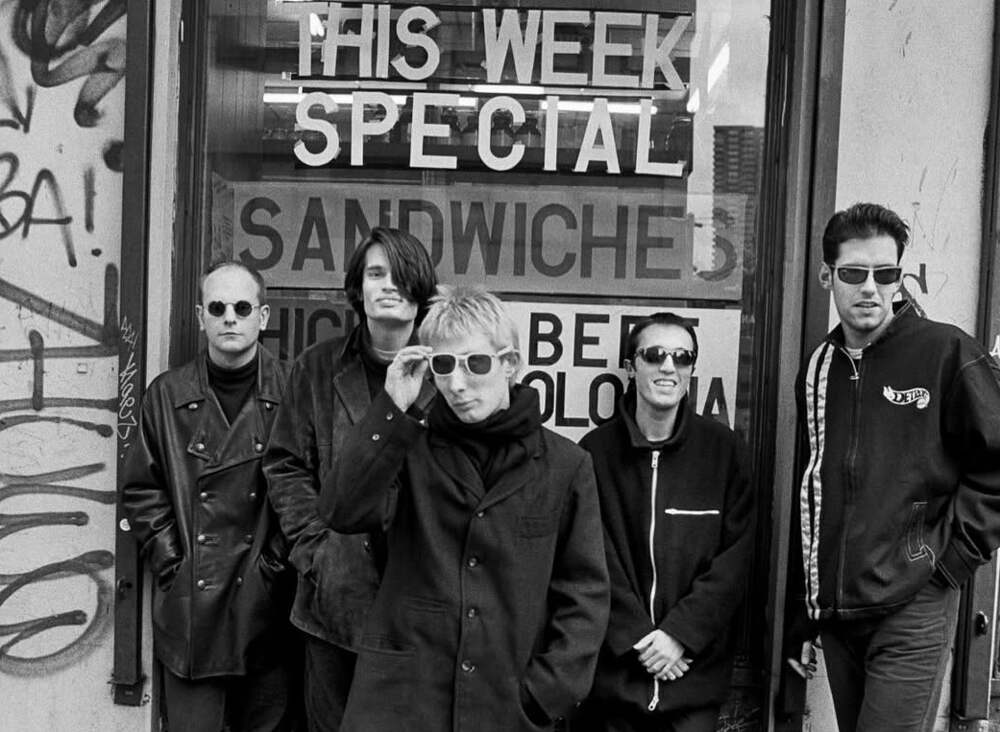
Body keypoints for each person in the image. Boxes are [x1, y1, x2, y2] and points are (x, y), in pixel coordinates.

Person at [318, 285, 610, 732]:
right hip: (402, 704)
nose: (456, 384)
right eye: (443, 365)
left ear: (509, 364)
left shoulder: (566, 465)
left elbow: (585, 593)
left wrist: (545, 693)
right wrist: (391, 408)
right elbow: (341, 510)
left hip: (507, 708)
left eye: (475, 364)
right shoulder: (407, 447)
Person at [784, 202, 1000, 732]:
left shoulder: (945, 352)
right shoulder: (818, 368)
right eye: (853, 274)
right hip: (839, 616)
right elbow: (811, 493)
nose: (870, 289)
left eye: (885, 274)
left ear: (899, 277)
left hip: (913, 606)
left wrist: (948, 563)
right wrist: (804, 611)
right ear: (826, 276)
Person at [263, 227, 437, 732]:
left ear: (422, 287)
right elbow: (285, 463)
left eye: (401, 274)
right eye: (376, 274)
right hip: (335, 602)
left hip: (423, 600)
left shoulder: (446, 369)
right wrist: (316, 551)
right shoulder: (317, 367)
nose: (389, 285)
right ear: (358, 288)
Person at [121, 261, 296, 732]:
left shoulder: (293, 390)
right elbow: (142, 491)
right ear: (200, 317)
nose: (229, 318)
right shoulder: (166, 395)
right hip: (192, 619)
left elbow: (307, 492)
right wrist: (176, 565)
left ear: (262, 316)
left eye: (242, 307)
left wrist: (273, 568)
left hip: (266, 611)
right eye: (217, 308)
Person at [575, 313, 755, 732]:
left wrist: (680, 634)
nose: (668, 366)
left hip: (692, 678)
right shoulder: (594, 453)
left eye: (682, 357)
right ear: (631, 365)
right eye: (654, 355)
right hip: (614, 683)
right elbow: (589, 556)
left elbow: (736, 559)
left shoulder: (724, 452)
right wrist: (639, 637)